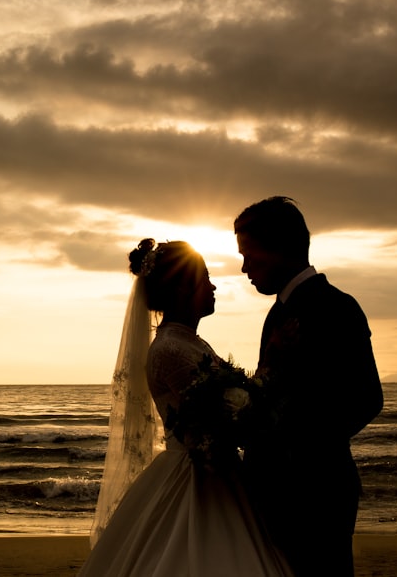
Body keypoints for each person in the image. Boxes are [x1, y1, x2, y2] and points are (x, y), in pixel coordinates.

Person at [80, 238, 292, 577]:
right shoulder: (171, 349)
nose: (213, 286)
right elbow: (220, 416)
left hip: (216, 471)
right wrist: (270, 369)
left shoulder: (187, 341)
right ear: (182, 287)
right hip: (197, 478)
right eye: (205, 277)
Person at [234, 196, 383, 576]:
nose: (244, 267)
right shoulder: (279, 310)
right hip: (278, 491)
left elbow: (366, 398)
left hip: (316, 493)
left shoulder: (336, 306)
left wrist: (295, 447)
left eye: (250, 254)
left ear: (280, 248)